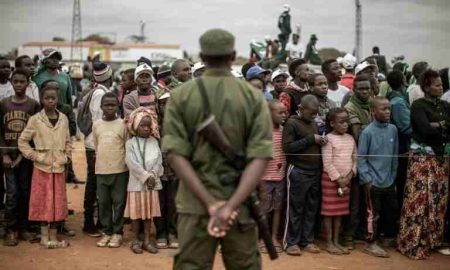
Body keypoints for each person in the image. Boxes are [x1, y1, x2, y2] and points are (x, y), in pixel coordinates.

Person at [162, 28, 272, 270]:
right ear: (233, 55)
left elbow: (175, 155)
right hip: (240, 204)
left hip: (194, 204)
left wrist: (210, 203)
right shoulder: (253, 97)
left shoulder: (180, 96)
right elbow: (261, 157)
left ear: (202, 56)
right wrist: (230, 206)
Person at [398, 69, 450, 259]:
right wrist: (441, 124)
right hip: (422, 159)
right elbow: (425, 129)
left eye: (441, 85)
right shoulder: (418, 105)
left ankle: (432, 241)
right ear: (426, 87)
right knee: (419, 199)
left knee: (437, 200)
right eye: (436, 85)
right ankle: (412, 241)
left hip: (440, 159)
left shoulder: (445, 105)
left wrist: (438, 124)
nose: (440, 87)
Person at [18, 80, 71, 248]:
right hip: (42, 168)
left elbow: (68, 140)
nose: (50, 101)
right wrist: (35, 156)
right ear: (42, 99)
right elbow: (23, 142)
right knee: (43, 201)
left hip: (59, 168)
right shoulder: (35, 120)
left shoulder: (63, 119)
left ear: (57, 99)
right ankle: (43, 236)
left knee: (57, 202)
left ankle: (53, 236)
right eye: (47, 98)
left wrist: (67, 156)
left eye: (53, 98)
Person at [0, 69, 40, 246]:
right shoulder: (3, 104)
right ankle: (11, 229)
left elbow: (35, 134)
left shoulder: (33, 105)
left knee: (25, 190)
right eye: (15, 81)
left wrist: (24, 155)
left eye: (22, 82)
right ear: (11, 82)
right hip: (8, 156)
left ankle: (23, 228)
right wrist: (5, 155)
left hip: (25, 157)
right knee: (12, 193)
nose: (18, 85)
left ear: (27, 82)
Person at [282, 94, 325, 256]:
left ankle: (306, 240)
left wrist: (320, 140)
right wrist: (310, 139)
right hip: (298, 171)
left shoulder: (313, 123)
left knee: (311, 208)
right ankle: (291, 242)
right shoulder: (291, 123)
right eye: (311, 113)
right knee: (295, 208)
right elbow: (287, 148)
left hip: (314, 171)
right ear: (301, 109)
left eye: (316, 113)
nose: (314, 116)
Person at [358, 96, 398, 258]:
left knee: (390, 211)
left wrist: (393, 176)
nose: (388, 111)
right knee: (372, 214)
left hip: (388, 180)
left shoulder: (393, 129)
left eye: (389, 108)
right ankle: (370, 242)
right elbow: (361, 158)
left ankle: (388, 238)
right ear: (373, 111)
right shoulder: (367, 132)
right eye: (384, 109)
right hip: (372, 181)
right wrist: (367, 179)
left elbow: (395, 156)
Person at [124, 108, 162, 254]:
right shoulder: (130, 143)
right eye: (142, 125)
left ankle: (146, 240)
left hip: (151, 185)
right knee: (136, 214)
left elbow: (158, 161)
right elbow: (131, 163)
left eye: (148, 126)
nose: (146, 129)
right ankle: (135, 240)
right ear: (135, 126)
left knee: (148, 214)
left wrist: (153, 175)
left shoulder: (154, 142)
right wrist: (146, 177)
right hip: (136, 184)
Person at [93, 92, 129, 248]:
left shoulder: (123, 124)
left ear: (117, 106)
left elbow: (127, 147)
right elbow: (96, 145)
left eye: (113, 105)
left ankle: (117, 233)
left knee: (119, 203)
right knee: (103, 203)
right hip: (101, 170)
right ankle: (107, 232)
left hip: (120, 170)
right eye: (106, 105)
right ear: (101, 107)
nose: (109, 107)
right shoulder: (96, 125)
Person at [82, 61, 113, 237]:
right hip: (96, 146)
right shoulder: (101, 93)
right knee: (94, 184)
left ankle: (99, 220)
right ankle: (88, 223)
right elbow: (97, 123)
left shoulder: (99, 91)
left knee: (98, 183)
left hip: (97, 144)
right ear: (110, 76)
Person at [342, 74, 372, 249]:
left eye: (367, 88)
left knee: (367, 200)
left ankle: (363, 232)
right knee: (354, 201)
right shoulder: (350, 107)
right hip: (355, 157)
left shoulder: (372, 104)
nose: (365, 92)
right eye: (361, 88)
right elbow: (357, 135)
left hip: (372, 159)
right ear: (354, 89)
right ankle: (349, 236)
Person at [321, 108, 356, 255]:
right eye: (341, 122)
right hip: (330, 181)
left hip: (347, 181)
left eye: (346, 121)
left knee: (340, 212)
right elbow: (327, 163)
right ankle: (328, 242)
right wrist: (339, 179)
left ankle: (336, 241)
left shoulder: (350, 138)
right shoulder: (328, 139)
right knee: (329, 212)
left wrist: (349, 175)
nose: (345, 125)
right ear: (332, 123)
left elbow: (355, 157)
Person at [259, 100, 287, 253]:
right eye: (280, 112)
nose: (284, 115)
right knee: (264, 210)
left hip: (280, 177)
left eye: (285, 112)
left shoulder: (284, 131)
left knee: (277, 208)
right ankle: (263, 238)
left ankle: (274, 237)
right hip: (264, 178)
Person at [155, 91, 178, 249]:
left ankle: (173, 232)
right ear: (158, 106)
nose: (166, 107)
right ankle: (160, 233)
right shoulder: (153, 125)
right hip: (158, 172)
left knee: (174, 202)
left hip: (175, 171)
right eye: (163, 103)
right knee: (160, 203)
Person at [386, 70, 411, 208]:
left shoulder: (391, 96)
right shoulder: (398, 102)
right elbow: (406, 127)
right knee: (401, 183)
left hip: (396, 146)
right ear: (403, 81)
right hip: (401, 147)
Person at [122, 64, 160, 141]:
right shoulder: (129, 98)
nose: (144, 79)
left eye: (147, 76)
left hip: (157, 137)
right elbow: (130, 119)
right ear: (136, 80)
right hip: (137, 139)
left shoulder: (158, 95)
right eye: (141, 77)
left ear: (151, 79)